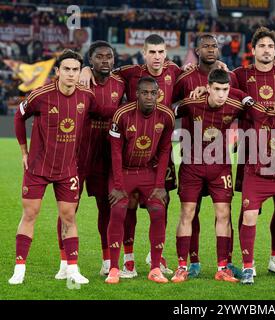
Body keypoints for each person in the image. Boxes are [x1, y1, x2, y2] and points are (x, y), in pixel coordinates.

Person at [9, 49, 114, 285]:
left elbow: (104, 112)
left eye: (75, 69)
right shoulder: (41, 95)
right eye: (66, 69)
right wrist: (24, 151)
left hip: (68, 170)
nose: (71, 74)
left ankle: (72, 269)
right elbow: (19, 116)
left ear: (80, 72)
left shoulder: (86, 96)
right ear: (58, 72)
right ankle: (19, 269)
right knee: (30, 214)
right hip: (38, 167)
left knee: (69, 218)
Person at [80, 34, 181, 277]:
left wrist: (218, 66)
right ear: (144, 54)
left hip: (158, 153)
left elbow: (199, 75)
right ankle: (127, 259)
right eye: (152, 52)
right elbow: (104, 70)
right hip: (130, 150)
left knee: (162, 204)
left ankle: (155, 256)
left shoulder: (176, 71)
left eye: (161, 52)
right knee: (128, 206)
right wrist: (85, 68)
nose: (157, 57)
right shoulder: (129, 73)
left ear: (165, 53)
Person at [171, 69, 251, 283]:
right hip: (192, 165)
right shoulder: (193, 103)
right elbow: (169, 111)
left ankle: (223, 268)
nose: (222, 94)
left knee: (224, 214)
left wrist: (239, 93)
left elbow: (258, 115)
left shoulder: (234, 106)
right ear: (208, 88)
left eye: (225, 89)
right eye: (217, 89)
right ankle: (181, 266)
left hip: (221, 168)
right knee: (187, 213)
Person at [54, 41, 125, 279]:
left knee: (107, 208)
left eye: (109, 56)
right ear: (90, 61)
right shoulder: (80, 80)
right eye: (99, 57)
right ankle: (65, 262)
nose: (105, 60)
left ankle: (107, 261)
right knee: (68, 209)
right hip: (78, 154)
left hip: (105, 157)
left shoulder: (120, 83)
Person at [233, 27, 275, 276]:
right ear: (253, 49)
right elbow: (229, 93)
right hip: (251, 149)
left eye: (270, 46)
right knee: (249, 208)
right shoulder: (240, 74)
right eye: (262, 46)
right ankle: (244, 259)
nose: (266, 50)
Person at [105, 77, 174, 284]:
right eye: (145, 93)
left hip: (147, 172)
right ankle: (114, 268)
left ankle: (155, 268)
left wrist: (160, 185)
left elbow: (164, 152)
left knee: (158, 210)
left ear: (158, 94)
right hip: (123, 172)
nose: (150, 97)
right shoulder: (122, 114)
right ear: (136, 94)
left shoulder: (166, 115)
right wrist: (117, 186)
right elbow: (115, 153)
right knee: (118, 210)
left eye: (153, 93)